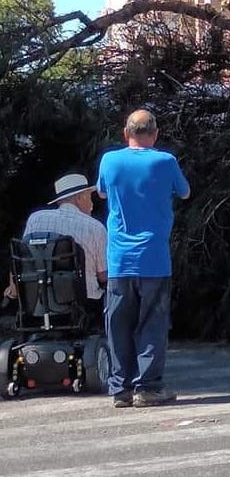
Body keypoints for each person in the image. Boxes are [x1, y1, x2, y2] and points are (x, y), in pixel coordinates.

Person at [97, 109, 190, 408]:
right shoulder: (165, 161)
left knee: (118, 323)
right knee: (152, 322)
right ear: (155, 134)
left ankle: (120, 389)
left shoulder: (109, 160)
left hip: (119, 260)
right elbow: (184, 192)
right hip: (153, 257)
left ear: (126, 133)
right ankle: (148, 387)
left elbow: (100, 192)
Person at [22, 173, 108, 315]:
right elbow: (103, 276)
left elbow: (24, 256)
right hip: (83, 305)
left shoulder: (35, 219)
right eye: (89, 197)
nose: (92, 204)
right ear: (79, 198)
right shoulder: (95, 227)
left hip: (37, 302)